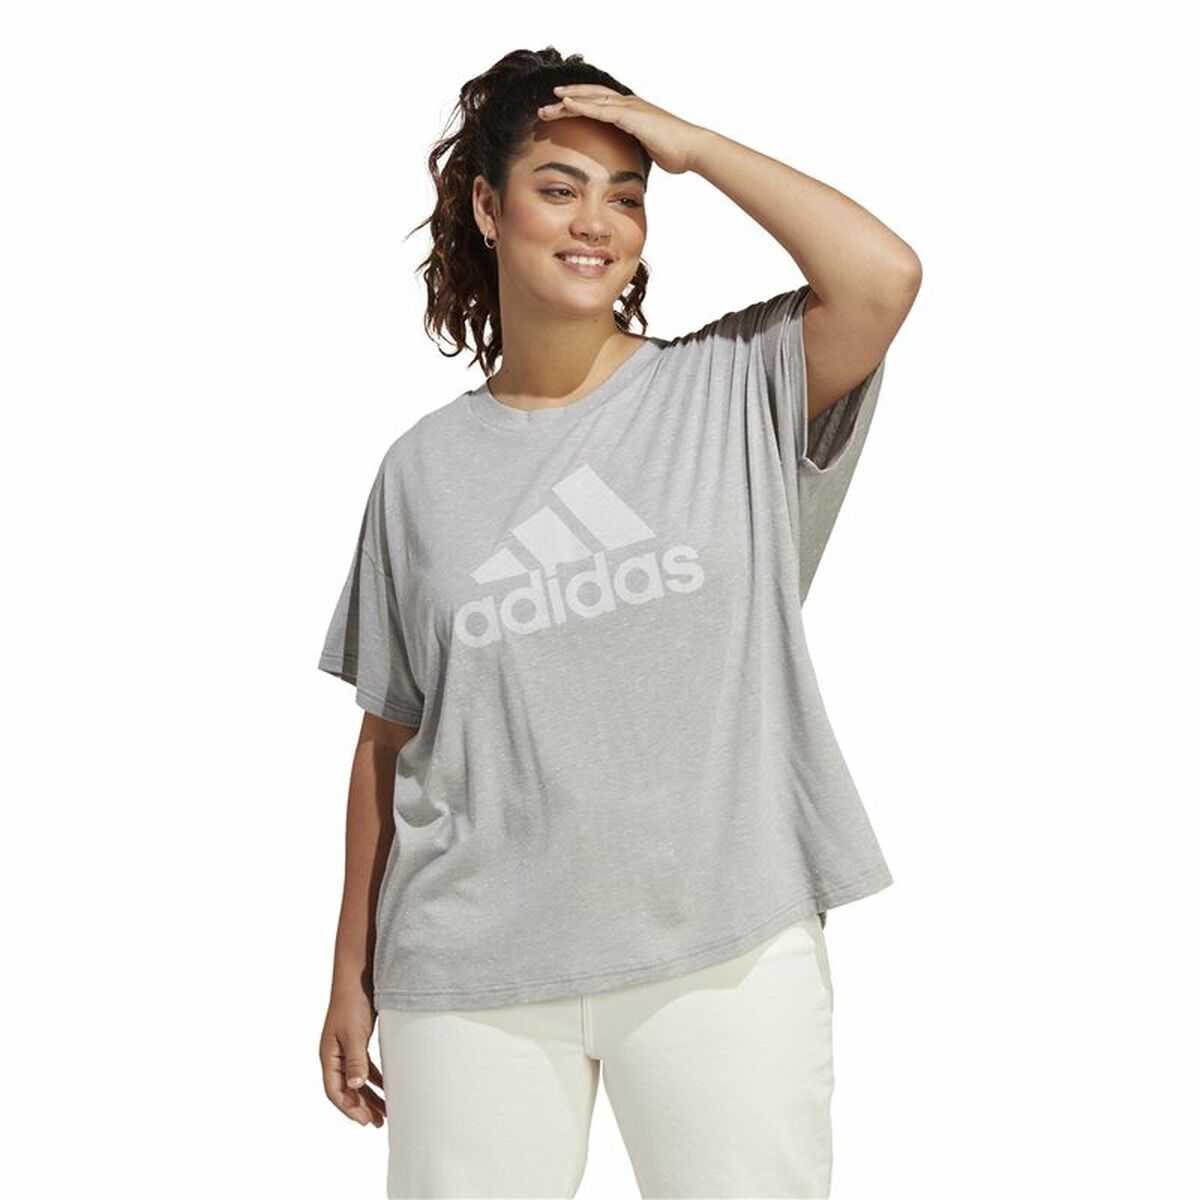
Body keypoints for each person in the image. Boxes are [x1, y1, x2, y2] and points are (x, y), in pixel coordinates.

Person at [317, 46, 920, 1200]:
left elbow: (883, 277)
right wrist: (351, 970)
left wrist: (690, 145)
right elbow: (388, 738)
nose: (597, 221)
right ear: (487, 206)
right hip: (471, 970)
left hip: (724, 949)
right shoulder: (421, 472)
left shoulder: (735, 385)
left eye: (628, 194)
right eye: (559, 187)